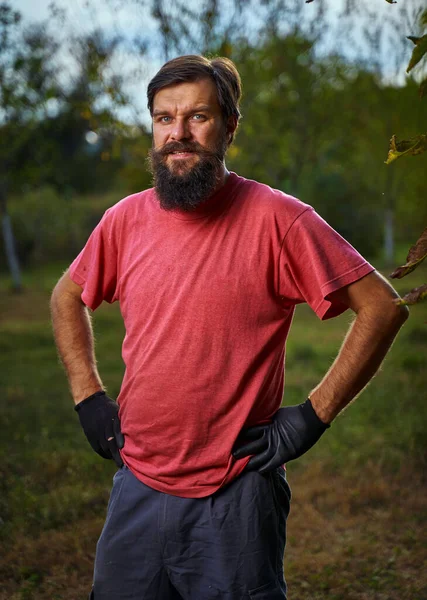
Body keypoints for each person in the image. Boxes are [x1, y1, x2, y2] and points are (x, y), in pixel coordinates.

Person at [50, 55, 409, 600]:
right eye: (164, 119)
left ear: (230, 126)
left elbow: (383, 306)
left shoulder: (278, 219)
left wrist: (311, 418)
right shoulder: (125, 219)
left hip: (237, 493)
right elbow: (67, 295)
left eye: (197, 117)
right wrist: (87, 398)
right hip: (137, 483)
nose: (179, 135)